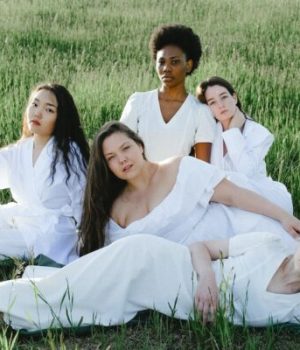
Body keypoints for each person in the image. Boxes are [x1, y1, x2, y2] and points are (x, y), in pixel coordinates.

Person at [0, 231, 300, 331]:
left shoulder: (295, 307)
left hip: (167, 294)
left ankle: (19, 298)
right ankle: (11, 298)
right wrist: (207, 276)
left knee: (90, 295)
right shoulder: (269, 243)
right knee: (78, 293)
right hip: (165, 261)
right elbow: (200, 246)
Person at [79, 121, 300, 255]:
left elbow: (233, 195)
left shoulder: (179, 168)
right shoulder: (115, 209)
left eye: (125, 148)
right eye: (111, 157)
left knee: (282, 247)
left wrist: (283, 216)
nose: (122, 159)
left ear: (139, 144)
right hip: (189, 264)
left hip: (229, 233)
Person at [0, 83, 89, 264]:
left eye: (48, 110)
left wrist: (87, 243)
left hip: (50, 232)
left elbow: (83, 200)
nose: (37, 113)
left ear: (60, 118)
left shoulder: (69, 152)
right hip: (21, 220)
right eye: (34, 104)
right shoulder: (20, 149)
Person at [196, 76, 293, 214]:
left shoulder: (258, 132)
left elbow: (245, 173)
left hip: (255, 195)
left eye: (224, 97)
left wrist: (233, 131)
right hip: (220, 199)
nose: (220, 105)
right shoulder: (209, 133)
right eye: (212, 102)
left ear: (234, 97)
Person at [120, 24, 216, 162]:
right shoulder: (137, 102)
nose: (166, 68)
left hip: (181, 183)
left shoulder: (200, 112)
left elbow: (202, 168)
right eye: (161, 62)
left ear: (188, 65)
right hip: (140, 182)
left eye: (175, 62)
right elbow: (121, 150)